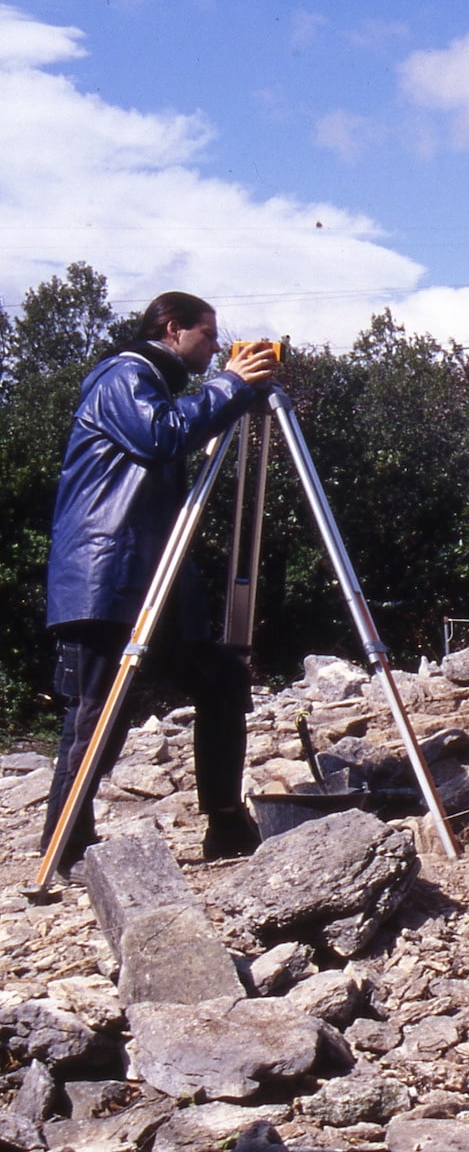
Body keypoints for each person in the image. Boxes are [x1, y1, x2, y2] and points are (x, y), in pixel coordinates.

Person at [42, 292, 277, 872]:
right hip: (108, 576)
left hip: (149, 579)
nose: (218, 346)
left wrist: (232, 394)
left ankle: (225, 824)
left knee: (221, 680)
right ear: (173, 329)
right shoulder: (123, 374)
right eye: (208, 333)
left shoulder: (150, 381)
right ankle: (63, 847)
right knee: (98, 711)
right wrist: (229, 385)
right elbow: (162, 436)